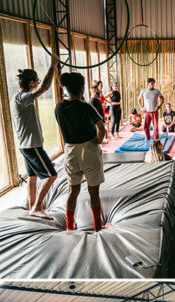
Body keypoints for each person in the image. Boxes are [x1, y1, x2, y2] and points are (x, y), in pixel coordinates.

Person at [54, 72, 106, 232]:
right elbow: (101, 127)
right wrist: (98, 140)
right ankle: (98, 226)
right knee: (94, 192)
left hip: (70, 151)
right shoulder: (86, 107)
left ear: (67, 89)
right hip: (89, 150)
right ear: (82, 88)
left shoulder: (59, 107)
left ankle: (70, 225)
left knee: (73, 190)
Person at [11, 54, 59, 219]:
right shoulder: (23, 98)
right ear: (31, 83)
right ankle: (36, 207)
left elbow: (41, 87)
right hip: (32, 146)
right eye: (36, 81)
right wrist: (52, 66)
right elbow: (44, 88)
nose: (38, 83)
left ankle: (31, 204)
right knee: (52, 175)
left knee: (32, 177)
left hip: (25, 146)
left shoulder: (17, 97)